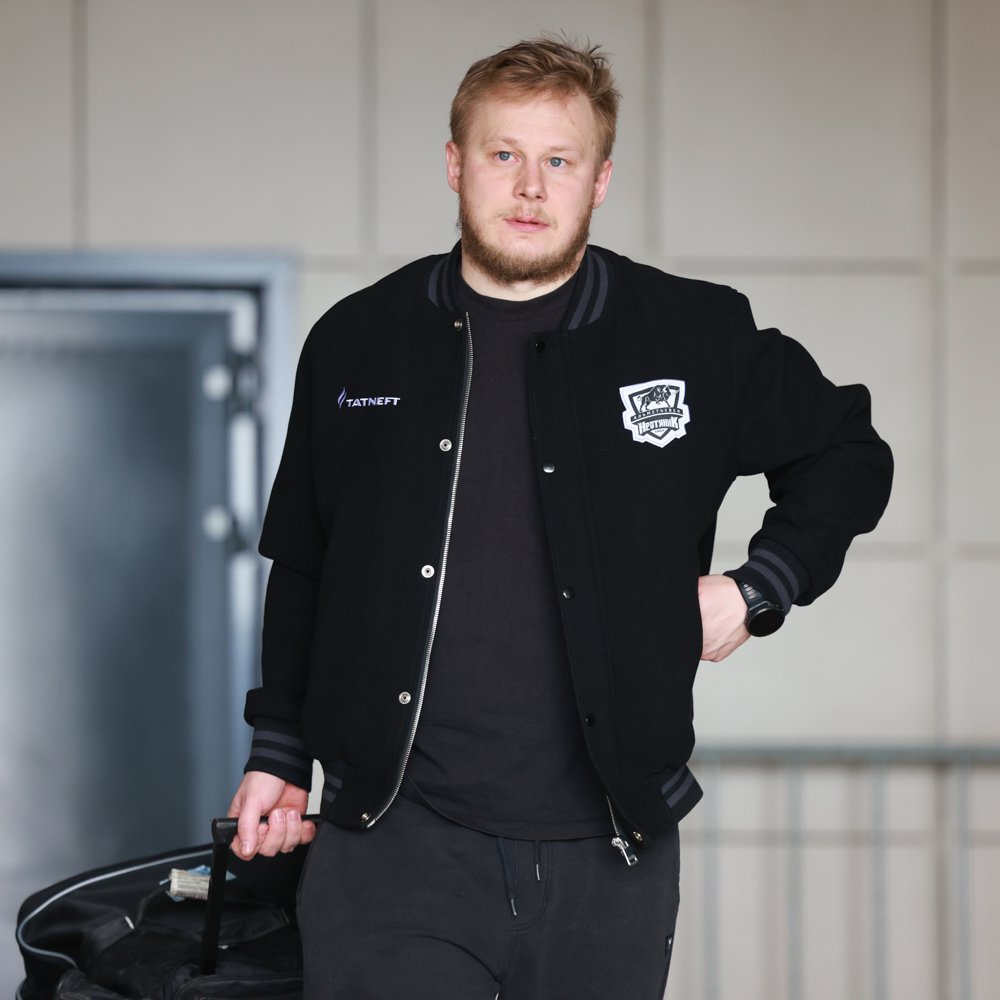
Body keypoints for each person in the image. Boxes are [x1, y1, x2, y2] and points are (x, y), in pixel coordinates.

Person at [227, 36, 893, 999]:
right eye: (503, 153)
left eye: (560, 160)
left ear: (601, 179)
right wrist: (280, 754)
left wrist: (759, 588)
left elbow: (849, 451)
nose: (530, 186)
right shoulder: (357, 342)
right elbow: (304, 563)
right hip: (392, 849)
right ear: (455, 164)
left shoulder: (693, 333)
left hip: (608, 861)